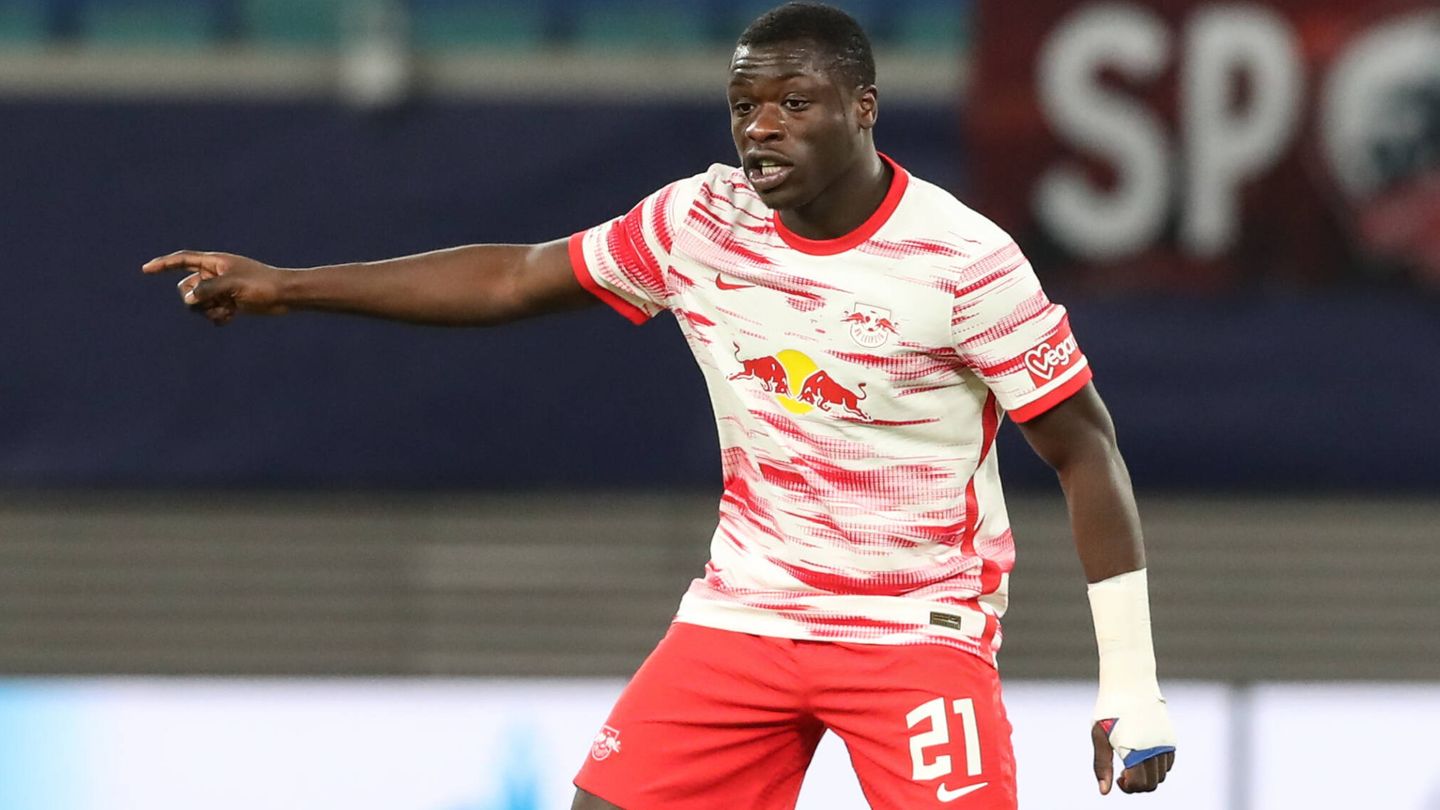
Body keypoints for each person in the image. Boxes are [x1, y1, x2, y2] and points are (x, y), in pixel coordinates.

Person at [143, 3, 1176, 807]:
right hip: (747, 609)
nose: (762, 127)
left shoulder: (962, 261)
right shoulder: (699, 223)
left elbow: (1086, 451)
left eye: (795, 103)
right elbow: (514, 278)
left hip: (913, 627)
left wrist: (1129, 686)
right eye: (745, 105)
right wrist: (287, 285)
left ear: (863, 108)